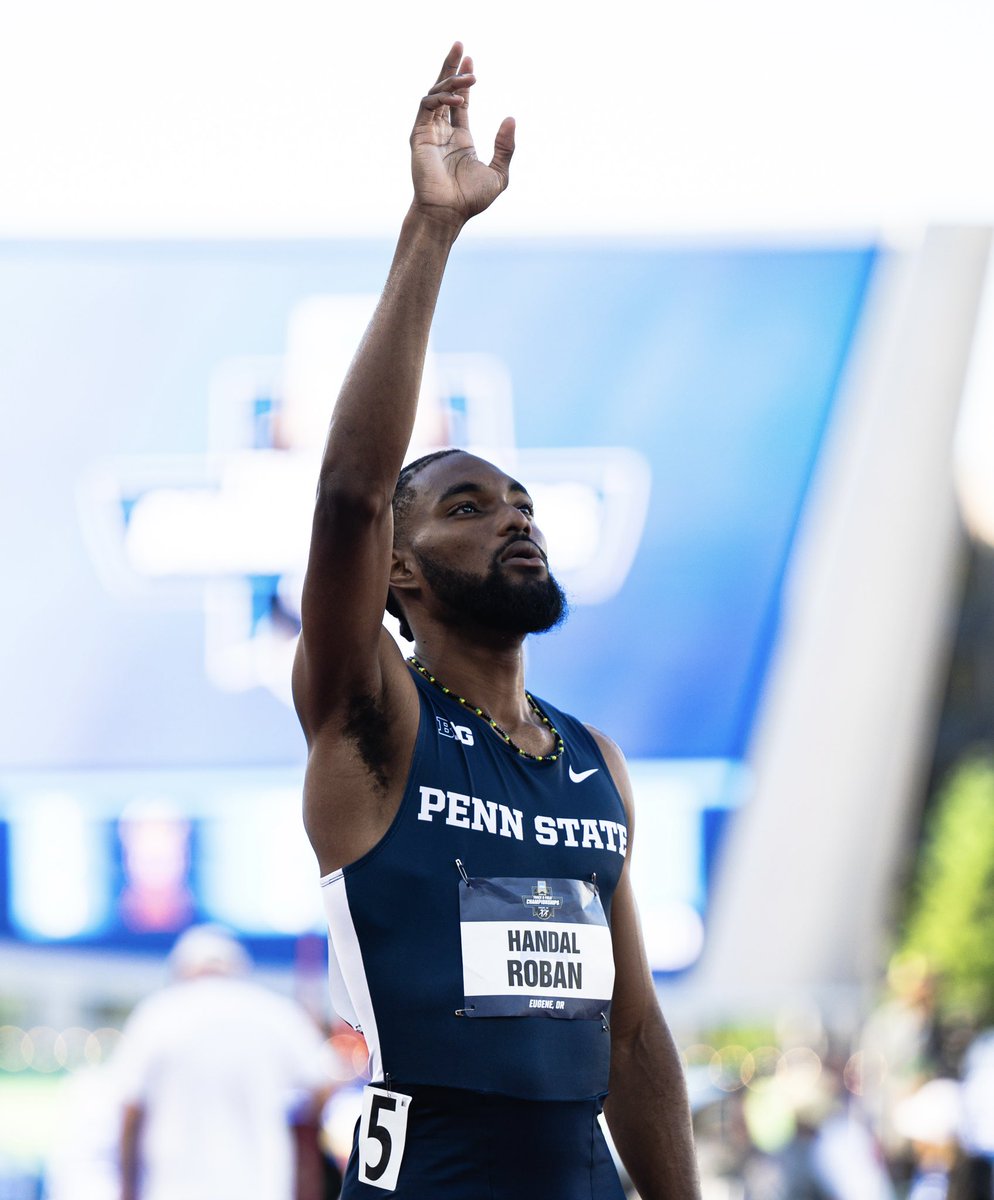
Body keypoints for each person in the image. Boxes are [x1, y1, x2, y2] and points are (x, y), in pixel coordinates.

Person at [292, 42, 701, 1200]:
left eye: (521, 505)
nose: (514, 521)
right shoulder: (373, 723)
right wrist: (433, 233)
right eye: (466, 508)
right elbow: (349, 496)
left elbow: (628, 1040)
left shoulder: (593, 764)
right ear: (397, 576)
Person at [114, 924, 333, 1200]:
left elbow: (130, 1111)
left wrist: (127, 1190)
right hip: (262, 1187)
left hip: (173, 1188)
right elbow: (322, 1087)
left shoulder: (157, 1015)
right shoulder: (275, 1014)